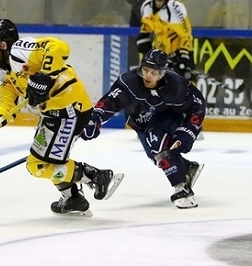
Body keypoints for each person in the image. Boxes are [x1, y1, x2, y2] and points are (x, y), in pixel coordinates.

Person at [0, 18, 124, 216]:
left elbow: (59, 47)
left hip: (71, 109)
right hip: (53, 115)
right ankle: (73, 198)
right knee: (41, 163)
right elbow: (8, 107)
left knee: (39, 165)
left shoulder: (20, 51)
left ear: (3, 44)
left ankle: (96, 176)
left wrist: (44, 76)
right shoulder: (2, 75)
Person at [82, 49, 205, 209]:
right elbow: (110, 101)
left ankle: (182, 188)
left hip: (168, 117)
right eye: (145, 70)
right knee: (157, 157)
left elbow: (198, 106)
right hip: (140, 121)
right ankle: (186, 168)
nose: (148, 75)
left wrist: (186, 133)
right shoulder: (129, 82)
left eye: (153, 72)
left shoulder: (176, 85)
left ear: (162, 73)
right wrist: (95, 118)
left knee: (159, 145)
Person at [136, 0, 197, 82]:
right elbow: (145, 31)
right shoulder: (147, 6)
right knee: (159, 87)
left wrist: (183, 56)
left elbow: (185, 35)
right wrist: (144, 43)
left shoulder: (176, 8)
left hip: (179, 52)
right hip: (161, 53)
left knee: (188, 87)